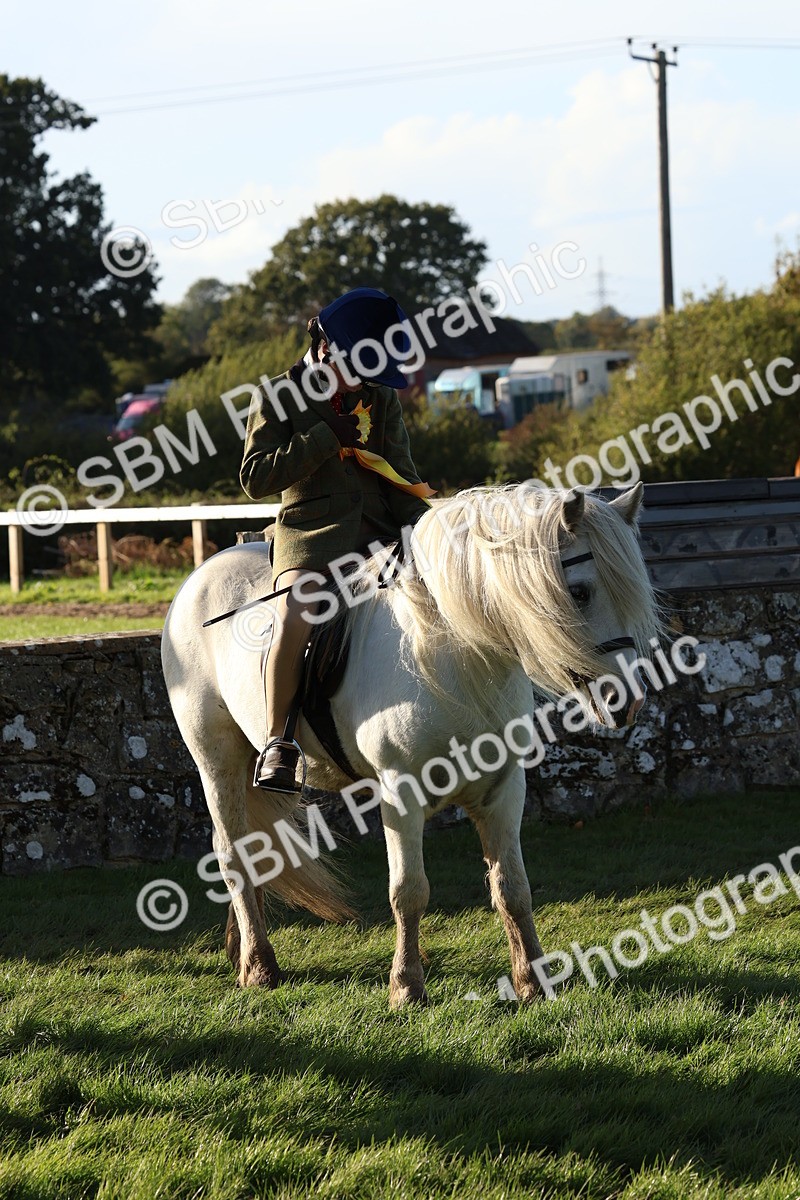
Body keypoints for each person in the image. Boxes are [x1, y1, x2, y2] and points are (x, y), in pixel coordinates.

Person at [240, 287, 432, 792]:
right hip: (311, 538)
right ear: (324, 346)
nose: (365, 380)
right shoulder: (278, 395)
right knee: (296, 612)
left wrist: (430, 530)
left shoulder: (381, 396)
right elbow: (256, 478)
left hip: (379, 535)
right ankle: (277, 741)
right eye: (359, 365)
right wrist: (326, 440)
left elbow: (401, 475)